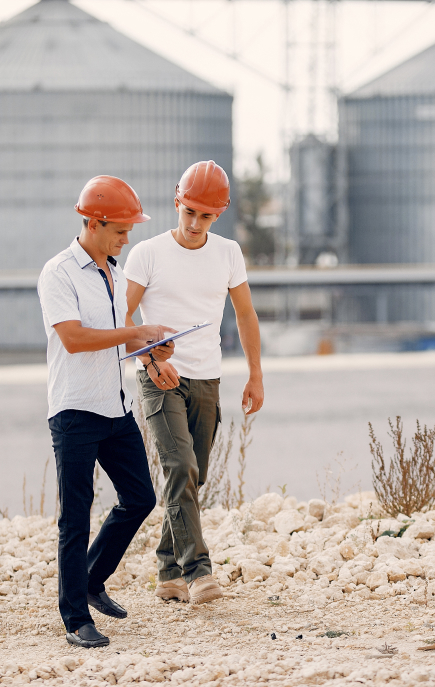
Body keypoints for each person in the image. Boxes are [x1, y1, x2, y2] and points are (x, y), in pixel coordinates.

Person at [38, 176, 176, 648]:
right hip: (74, 410)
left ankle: (92, 579)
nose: (126, 238)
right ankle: (76, 617)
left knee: (140, 498)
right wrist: (136, 333)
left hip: (115, 408)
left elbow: (120, 333)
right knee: (74, 517)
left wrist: (152, 354)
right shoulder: (57, 273)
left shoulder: (113, 273)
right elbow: (75, 339)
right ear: (93, 223)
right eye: (120, 230)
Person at [124, 160, 264, 605]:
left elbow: (245, 314)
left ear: (217, 215)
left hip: (208, 378)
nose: (194, 223)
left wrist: (255, 374)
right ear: (177, 201)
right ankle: (199, 573)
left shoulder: (228, 253)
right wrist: (149, 361)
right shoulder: (146, 253)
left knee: (192, 476)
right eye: (189, 212)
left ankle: (167, 573)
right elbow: (121, 317)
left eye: (205, 216)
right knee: (179, 468)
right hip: (160, 377)